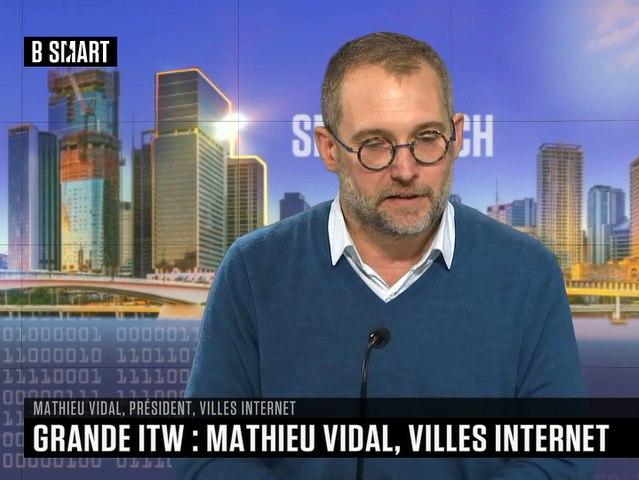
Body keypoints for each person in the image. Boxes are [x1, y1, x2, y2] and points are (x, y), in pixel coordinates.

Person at [174, 31, 591, 479]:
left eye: (427, 138)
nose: (406, 170)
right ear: (329, 149)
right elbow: (206, 453)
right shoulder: (254, 269)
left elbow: (561, 455)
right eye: (374, 144)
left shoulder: (528, 272)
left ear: (457, 137)